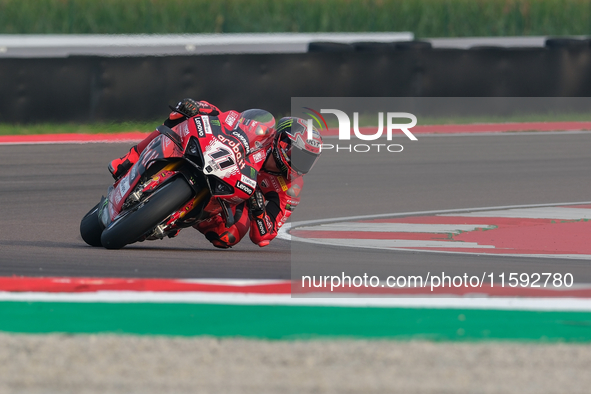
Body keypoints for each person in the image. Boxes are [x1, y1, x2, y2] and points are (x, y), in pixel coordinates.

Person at [108, 98, 323, 249]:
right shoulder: (262, 128)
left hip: (234, 196)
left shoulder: (291, 187)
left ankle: (179, 215)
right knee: (181, 115)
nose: (302, 164)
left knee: (228, 237)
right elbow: (227, 118)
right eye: (300, 155)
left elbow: (264, 236)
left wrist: (258, 209)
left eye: (309, 160)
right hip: (216, 155)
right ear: (284, 142)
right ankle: (131, 157)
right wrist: (199, 107)